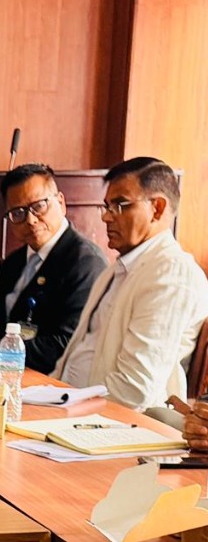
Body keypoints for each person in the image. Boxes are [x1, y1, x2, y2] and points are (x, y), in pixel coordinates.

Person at [52, 157, 208, 411]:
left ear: (157, 209)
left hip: (118, 423)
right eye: (106, 207)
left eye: (120, 206)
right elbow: (73, 355)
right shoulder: (118, 269)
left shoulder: (171, 273)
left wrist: (63, 405)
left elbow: (135, 390)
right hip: (71, 406)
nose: (107, 217)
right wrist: (48, 395)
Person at [0, 164, 106, 374]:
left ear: (61, 203)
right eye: (18, 213)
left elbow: (66, 344)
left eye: (39, 206)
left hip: (52, 380)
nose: (31, 220)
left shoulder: (85, 263)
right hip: (5, 370)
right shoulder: (15, 261)